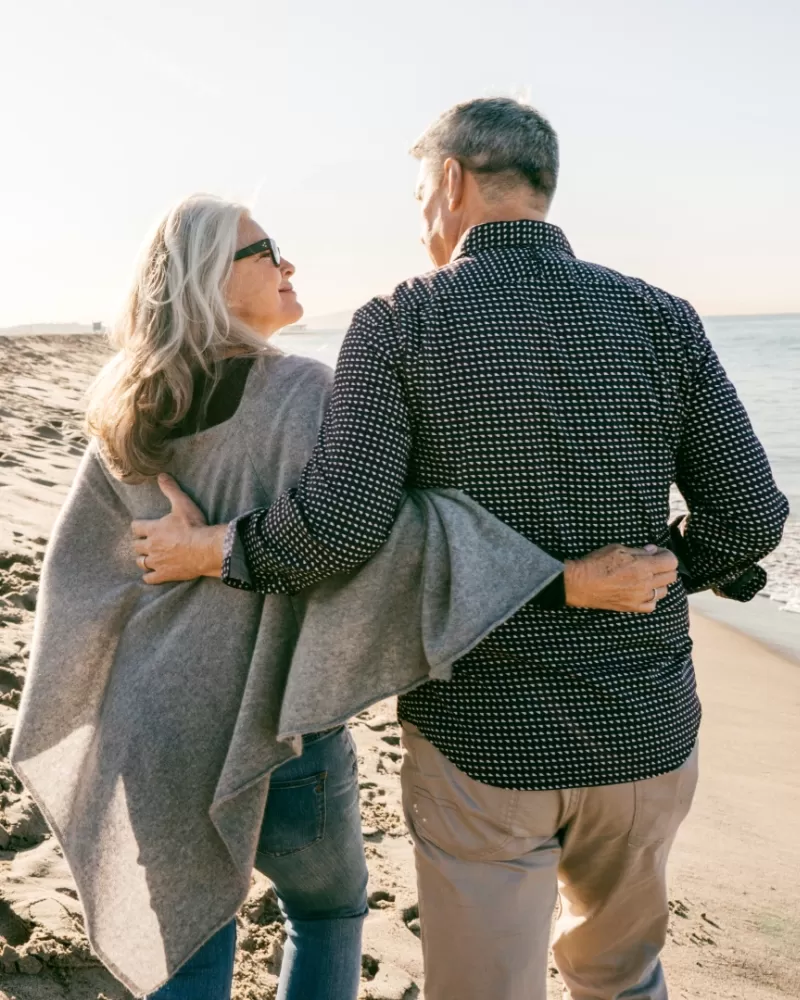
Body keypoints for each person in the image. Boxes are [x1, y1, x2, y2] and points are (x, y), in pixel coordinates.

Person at [133, 97, 789, 1000]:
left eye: (417, 197)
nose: (420, 223)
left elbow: (338, 531)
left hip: (485, 738)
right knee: (624, 980)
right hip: (647, 727)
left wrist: (214, 548)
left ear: (450, 182)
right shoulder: (661, 316)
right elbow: (752, 516)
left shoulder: (402, 321)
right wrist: (675, 563)